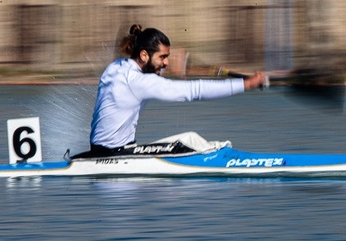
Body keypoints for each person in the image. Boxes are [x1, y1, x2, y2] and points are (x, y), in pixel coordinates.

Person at [87, 24, 266, 155]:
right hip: (118, 155)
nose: (166, 62)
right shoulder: (139, 81)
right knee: (190, 142)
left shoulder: (115, 68)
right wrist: (246, 84)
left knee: (189, 140)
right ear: (143, 55)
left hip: (100, 152)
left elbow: (148, 76)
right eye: (163, 57)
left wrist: (163, 68)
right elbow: (194, 91)